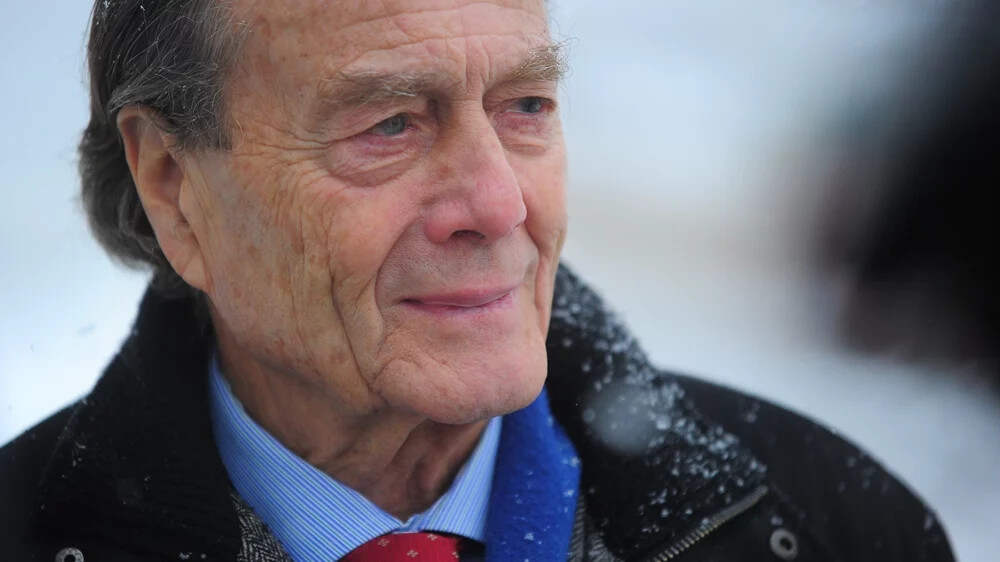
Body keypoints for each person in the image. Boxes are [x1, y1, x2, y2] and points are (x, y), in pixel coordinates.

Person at [1, 1, 954, 561]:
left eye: (526, 106)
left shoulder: (832, 527)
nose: (499, 204)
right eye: (389, 125)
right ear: (172, 185)